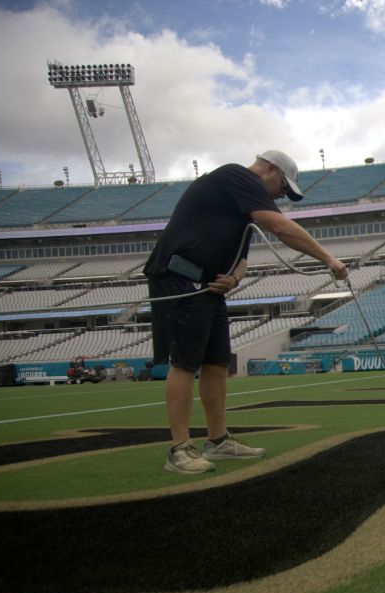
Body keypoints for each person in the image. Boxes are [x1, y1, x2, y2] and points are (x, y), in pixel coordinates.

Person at [143, 150, 348, 474]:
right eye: (283, 186)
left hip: (210, 285)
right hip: (179, 278)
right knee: (184, 363)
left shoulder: (244, 208)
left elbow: (242, 257)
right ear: (269, 169)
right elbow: (279, 227)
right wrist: (329, 259)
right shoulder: (235, 176)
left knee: (216, 362)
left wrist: (234, 279)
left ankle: (218, 439)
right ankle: (179, 449)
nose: (282, 195)